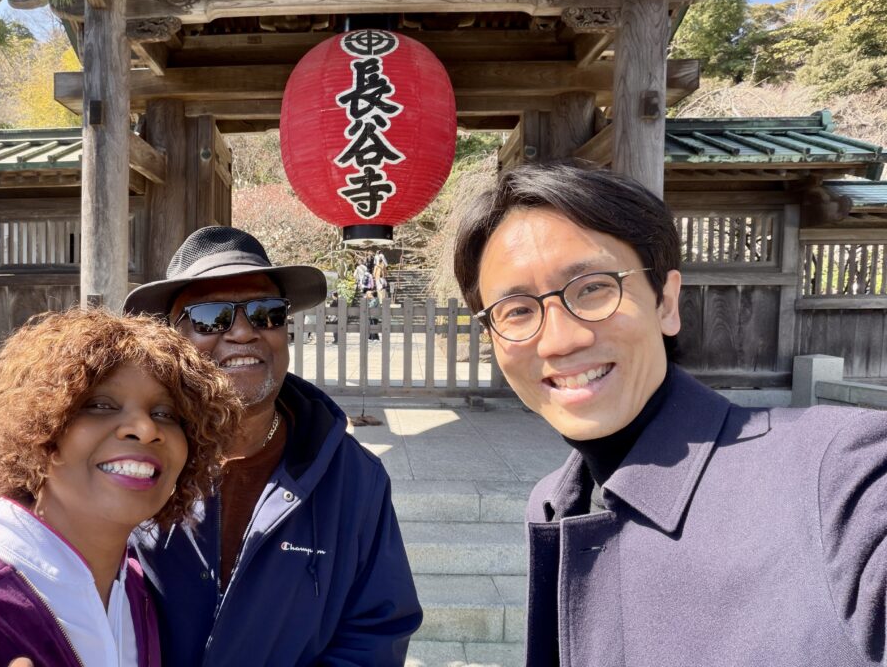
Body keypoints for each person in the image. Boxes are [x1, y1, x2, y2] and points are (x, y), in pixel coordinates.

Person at [453, 164, 887, 667]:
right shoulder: (552, 502)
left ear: (666, 301)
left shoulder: (840, 478)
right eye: (517, 310)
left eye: (593, 288)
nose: (559, 339)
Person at [0, 309, 240, 666]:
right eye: (100, 405)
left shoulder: (141, 596)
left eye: (165, 414)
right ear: (39, 432)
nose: (145, 429)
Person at [124, 226, 421, 667]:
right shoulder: (134, 457)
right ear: (174, 339)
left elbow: (375, 633)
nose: (243, 332)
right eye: (211, 317)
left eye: (266, 313)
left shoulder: (354, 480)